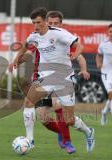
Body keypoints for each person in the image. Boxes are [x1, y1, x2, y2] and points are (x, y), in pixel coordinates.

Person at [10, 7, 95, 153]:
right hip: (45, 78)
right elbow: (24, 47)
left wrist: (75, 55)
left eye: (38, 22)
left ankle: (89, 132)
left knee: (69, 120)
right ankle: (30, 141)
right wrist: (15, 60)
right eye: (33, 23)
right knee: (28, 102)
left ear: (44, 21)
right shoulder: (34, 35)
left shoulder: (59, 34)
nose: (36, 25)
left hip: (64, 79)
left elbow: (79, 46)